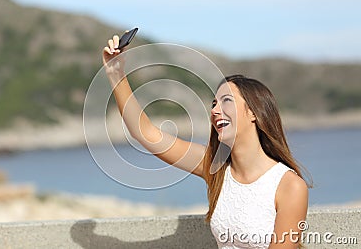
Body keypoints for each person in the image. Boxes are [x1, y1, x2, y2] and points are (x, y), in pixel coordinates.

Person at [102, 35, 310, 249]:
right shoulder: (215, 168)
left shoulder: (289, 186)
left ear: (254, 112)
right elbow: (145, 133)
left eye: (226, 101)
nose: (215, 110)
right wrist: (115, 73)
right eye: (213, 103)